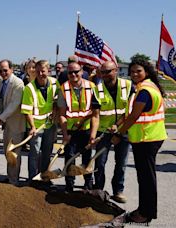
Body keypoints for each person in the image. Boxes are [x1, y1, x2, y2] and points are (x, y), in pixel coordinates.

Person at [111, 60, 167, 223]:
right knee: (145, 177)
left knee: (146, 179)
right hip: (148, 138)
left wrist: (119, 134)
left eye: (138, 71)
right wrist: (119, 125)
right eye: (132, 71)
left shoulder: (144, 90)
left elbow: (134, 116)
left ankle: (146, 213)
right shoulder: (148, 87)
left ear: (146, 72)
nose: (134, 74)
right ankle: (144, 209)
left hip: (147, 139)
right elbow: (131, 114)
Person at [92, 61, 133, 203]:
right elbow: (95, 115)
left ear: (116, 70)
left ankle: (118, 191)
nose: (105, 75)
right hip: (103, 132)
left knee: (121, 163)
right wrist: (93, 136)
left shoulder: (128, 86)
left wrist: (117, 129)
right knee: (100, 163)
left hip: (123, 130)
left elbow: (130, 112)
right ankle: (98, 190)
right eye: (103, 72)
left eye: (108, 71)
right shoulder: (97, 90)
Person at [57, 62, 100, 192]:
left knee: (87, 158)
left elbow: (96, 113)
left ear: (82, 72)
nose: (74, 75)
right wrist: (65, 134)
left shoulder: (92, 87)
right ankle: (69, 185)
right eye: (70, 72)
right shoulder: (63, 89)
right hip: (70, 130)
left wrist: (93, 135)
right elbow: (62, 114)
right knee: (70, 158)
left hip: (86, 129)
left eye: (76, 72)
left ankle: (88, 184)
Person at [21, 60, 59, 186]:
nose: (40, 73)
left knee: (47, 152)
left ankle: (44, 176)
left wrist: (55, 110)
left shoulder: (54, 83)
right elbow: (27, 111)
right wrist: (32, 127)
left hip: (50, 125)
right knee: (35, 153)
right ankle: (32, 179)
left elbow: (58, 101)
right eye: (37, 71)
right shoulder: (29, 88)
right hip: (35, 126)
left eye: (43, 71)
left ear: (48, 71)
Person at [0, 59, 25, 186]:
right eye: (0, 70)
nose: (3, 73)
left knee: (14, 153)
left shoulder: (18, 83)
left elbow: (14, 105)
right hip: (7, 123)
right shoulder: (2, 83)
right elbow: (1, 102)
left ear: (11, 69)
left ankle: (14, 181)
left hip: (16, 125)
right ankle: (10, 177)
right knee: (7, 151)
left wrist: (1, 118)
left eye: (5, 70)